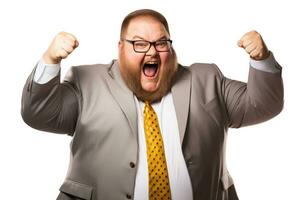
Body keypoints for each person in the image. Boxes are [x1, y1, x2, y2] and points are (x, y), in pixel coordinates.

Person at [21, 9, 283, 200]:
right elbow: (39, 114)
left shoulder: (208, 79)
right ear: (120, 47)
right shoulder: (87, 81)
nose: (152, 52)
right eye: (139, 43)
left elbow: (263, 105)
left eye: (161, 42)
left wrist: (261, 59)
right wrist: (49, 60)